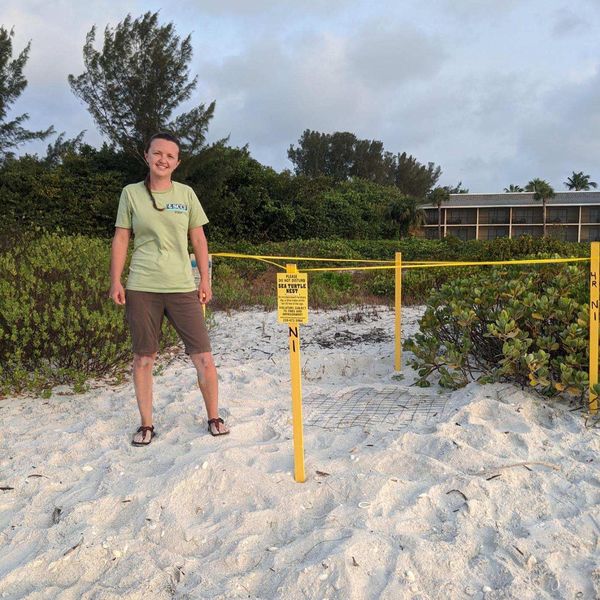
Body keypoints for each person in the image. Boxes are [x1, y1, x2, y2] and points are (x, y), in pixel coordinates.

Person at [108, 132, 229, 445]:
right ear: (147, 155)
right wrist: (115, 280)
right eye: (157, 153)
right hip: (142, 286)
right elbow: (121, 238)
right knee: (144, 358)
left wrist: (205, 279)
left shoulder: (186, 194)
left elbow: (198, 239)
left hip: (181, 287)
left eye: (170, 156)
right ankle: (146, 424)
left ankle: (214, 416)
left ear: (177, 162)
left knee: (204, 357)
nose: (163, 160)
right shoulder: (130, 193)